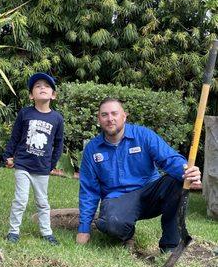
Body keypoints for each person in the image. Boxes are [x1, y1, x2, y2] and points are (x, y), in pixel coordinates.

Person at [76, 97, 201, 252]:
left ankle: (170, 246)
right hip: (118, 199)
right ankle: (127, 234)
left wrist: (186, 171)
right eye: (104, 115)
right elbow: (89, 191)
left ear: (124, 116)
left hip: (150, 193)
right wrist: (83, 229)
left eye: (114, 113)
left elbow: (169, 158)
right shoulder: (92, 149)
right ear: (99, 119)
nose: (110, 119)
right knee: (110, 224)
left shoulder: (143, 135)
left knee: (176, 181)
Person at [3, 72, 64, 245]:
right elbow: (15, 137)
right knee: (20, 199)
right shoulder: (25, 113)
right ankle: (13, 232)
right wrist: (8, 155)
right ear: (31, 95)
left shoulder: (57, 119)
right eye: (37, 86)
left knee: (42, 202)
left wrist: (51, 164)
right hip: (23, 165)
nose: (42, 88)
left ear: (53, 95)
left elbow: (58, 144)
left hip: (42, 168)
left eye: (46, 86)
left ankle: (47, 233)